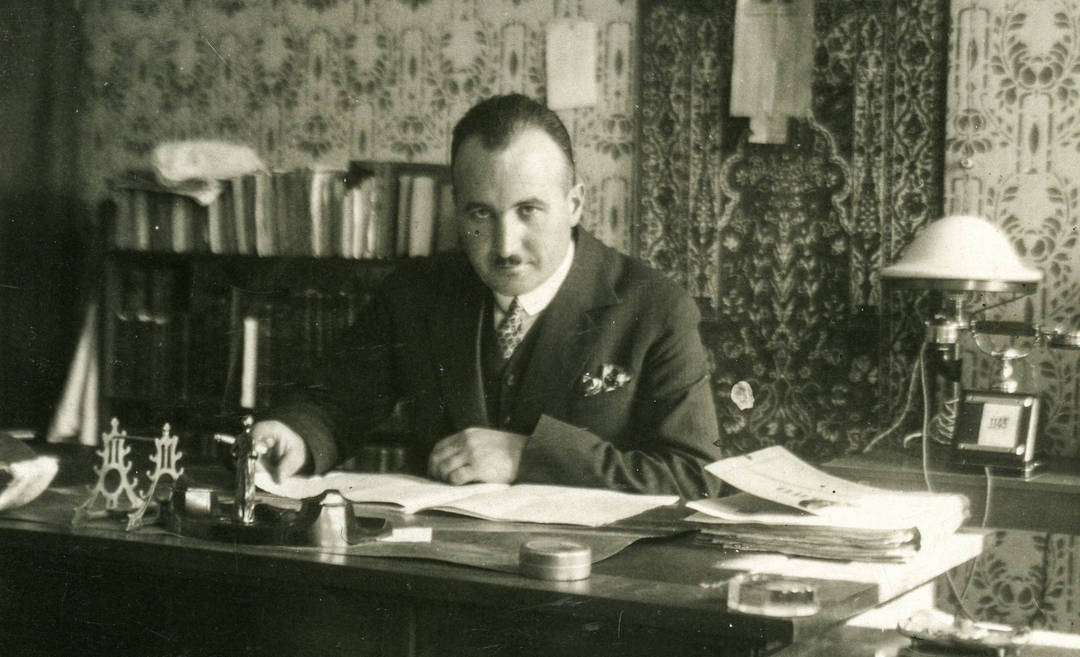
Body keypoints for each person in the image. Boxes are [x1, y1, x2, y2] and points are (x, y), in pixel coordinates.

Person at [252, 94, 723, 497]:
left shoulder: (656, 308)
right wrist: (293, 433)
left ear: (575, 204)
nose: (504, 246)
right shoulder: (415, 292)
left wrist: (527, 456)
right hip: (437, 559)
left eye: (528, 210)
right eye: (481, 213)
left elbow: (695, 476)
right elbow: (335, 402)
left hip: (588, 570)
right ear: (457, 208)